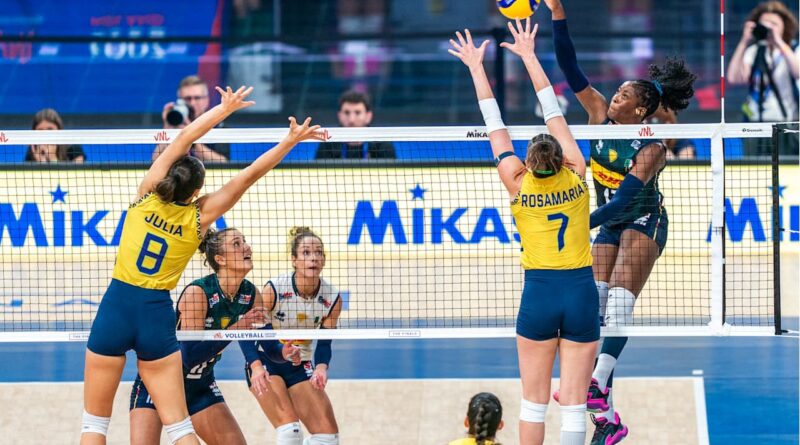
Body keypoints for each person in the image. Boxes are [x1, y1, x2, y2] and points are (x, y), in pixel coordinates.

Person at [81, 84, 328, 445]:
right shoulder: (198, 219)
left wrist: (222, 109)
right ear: (196, 192)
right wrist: (290, 141)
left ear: (167, 176)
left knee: (94, 425)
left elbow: (184, 138)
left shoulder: (146, 193)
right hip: (155, 315)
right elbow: (248, 175)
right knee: (180, 428)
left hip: (117, 306)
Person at [542, 0, 696, 443]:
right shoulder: (597, 117)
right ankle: (607, 417)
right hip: (609, 225)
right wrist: (557, 12)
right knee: (591, 305)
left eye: (626, 95)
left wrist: (577, 222)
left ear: (641, 111)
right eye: (619, 91)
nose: (616, 96)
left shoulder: (653, 148)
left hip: (644, 221)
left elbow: (624, 201)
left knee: (618, 307)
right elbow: (570, 67)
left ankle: (596, 382)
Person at [449, 18, 597, 445]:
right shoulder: (576, 173)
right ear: (560, 158)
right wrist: (531, 55)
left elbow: (493, 122)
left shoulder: (516, 182)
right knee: (574, 404)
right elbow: (554, 111)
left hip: (539, 294)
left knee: (534, 402)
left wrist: (476, 67)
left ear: (527, 164)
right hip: (580, 291)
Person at [129, 227, 300, 445]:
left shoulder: (251, 294)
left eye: (244, 241)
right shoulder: (198, 293)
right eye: (237, 244)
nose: (247, 247)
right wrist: (236, 328)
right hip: (161, 383)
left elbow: (269, 348)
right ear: (220, 259)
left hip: (200, 384)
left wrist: (284, 352)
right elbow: (189, 357)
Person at [239, 226, 342, 445]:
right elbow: (248, 331)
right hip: (267, 361)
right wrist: (259, 364)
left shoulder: (332, 298)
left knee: (328, 438)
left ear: (324, 260)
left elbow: (325, 343)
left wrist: (321, 367)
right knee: (290, 433)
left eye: (318, 253)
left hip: (299, 363)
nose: (313, 258)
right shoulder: (274, 289)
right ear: (294, 260)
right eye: (306, 253)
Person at [728, 1, 799, 123]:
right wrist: (744, 41)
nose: (769, 27)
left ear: (784, 26)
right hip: (756, 121)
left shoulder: (793, 49)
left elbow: (798, 72)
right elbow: (734, 78)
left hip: (786, 120)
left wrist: (778, 42)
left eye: (774, 24)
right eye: (764, 24)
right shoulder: (754, 51)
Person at [153, 75, 231, 163]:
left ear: (206, 100)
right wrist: (167, 128)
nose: (192, 103)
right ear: (179, 100)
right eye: (187, 98)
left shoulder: (218, 125)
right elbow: (155, 162)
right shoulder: (175, 123)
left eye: (197, 98)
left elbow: (223, 162)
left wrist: (189, 136)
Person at [315, 90, 396, 160]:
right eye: (346, 113)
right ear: (339, 115)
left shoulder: (382, 144)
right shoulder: (328, 144)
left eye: (357, 113)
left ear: (368, 116)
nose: (351, 120)